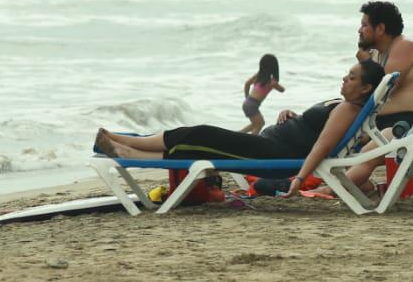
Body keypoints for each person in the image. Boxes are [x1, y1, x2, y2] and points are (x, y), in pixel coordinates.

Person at [94, 59, 385, 199]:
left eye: (351, 77)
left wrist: (299, 178)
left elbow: (321, 146)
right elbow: (316, 130)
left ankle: (122, 147)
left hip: (273, 156)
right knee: (198, 135)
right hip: (271, 144)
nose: (344, 79)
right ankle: (122, 143)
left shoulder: (349, 109)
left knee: (201, 137)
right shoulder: (344, 105)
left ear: (366, 88)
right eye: (347, 74)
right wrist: (294, 116)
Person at [354, 0, 413, 137]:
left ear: (380, 29)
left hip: (410, 122)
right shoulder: (378, 53)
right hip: (387, 120)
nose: (359, 30)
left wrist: (366, 63)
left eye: (364, 25)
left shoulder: (404, 47)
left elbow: (379, 93)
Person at [238, 53, 285, 135]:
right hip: (252, 105)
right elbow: (282, 90)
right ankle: (251, 141)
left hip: (248, 103)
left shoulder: (259, 75)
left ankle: (238, 134)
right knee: (258, 125)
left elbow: (247, 84)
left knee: (258, 123)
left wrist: (246, 97)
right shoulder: (271, 82)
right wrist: (276, 84)